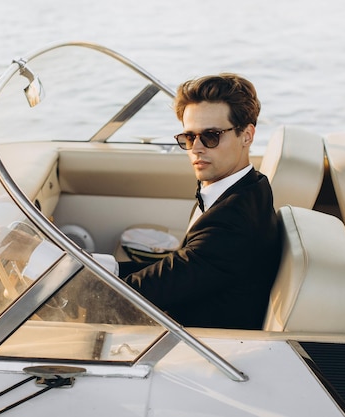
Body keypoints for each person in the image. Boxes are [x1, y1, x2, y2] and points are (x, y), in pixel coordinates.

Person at [117, 73, 282, 330]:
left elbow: (143, 292)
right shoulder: (249, 185)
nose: (196, 148)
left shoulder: (233, 224)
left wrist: (74, 282)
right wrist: (90, 264)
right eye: (189, 137)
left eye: (212, 136)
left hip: (203, 347)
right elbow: (180, 265)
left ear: (247, 135)